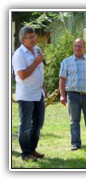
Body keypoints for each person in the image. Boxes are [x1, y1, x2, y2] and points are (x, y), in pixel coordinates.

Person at [59, 38, 86, 151]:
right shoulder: (66, 62)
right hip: (73, 95)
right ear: (73, 47)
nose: (77, 48)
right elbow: (62, 80)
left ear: (84, 47)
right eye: (75, 46)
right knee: (74, 122)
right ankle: (75, 144)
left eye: (80, 46)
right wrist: (62, 95)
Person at [12, 26, 47, 161]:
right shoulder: (19, 54)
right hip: (26, 95)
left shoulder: (36, 50)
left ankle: (32, 149)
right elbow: (22, 75)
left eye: (34, 36)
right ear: (22, 40)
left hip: (38, 93)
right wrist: (36, 62)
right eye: (30, 37)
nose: (33, 39)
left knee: (38, 123)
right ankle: (25, 153)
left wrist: (42, 85)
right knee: (25, 125)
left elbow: (39, 70)